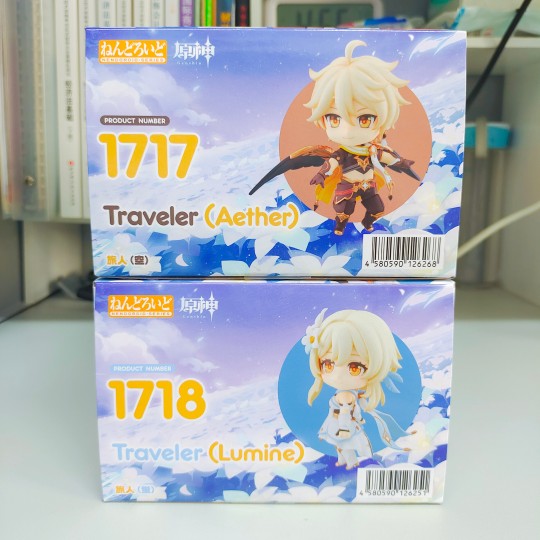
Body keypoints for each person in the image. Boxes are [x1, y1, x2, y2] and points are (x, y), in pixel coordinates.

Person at [250, 40, 419, 235]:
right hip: (347, 186)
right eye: (334, 118)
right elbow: (331, 163)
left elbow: (387, 158)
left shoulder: (374, 150)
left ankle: (367, 221)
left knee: (377, 209)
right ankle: (340, 226)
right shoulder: (342, 154)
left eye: (364, 119)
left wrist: (402, 163)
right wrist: (322, 175)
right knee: (343, 211)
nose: (347, 131)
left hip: (369, 186)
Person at [302, 308, 410, 469]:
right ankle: (343, 461)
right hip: (338, 424)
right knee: (341, 446)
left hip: (343, 426)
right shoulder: (348, 394)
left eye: (355, 367)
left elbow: (346, 413)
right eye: (328, 364)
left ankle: (352, 463)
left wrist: (344, 429)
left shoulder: (346, 396)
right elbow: (349, 411)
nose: (338, 376)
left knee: (345, 445)